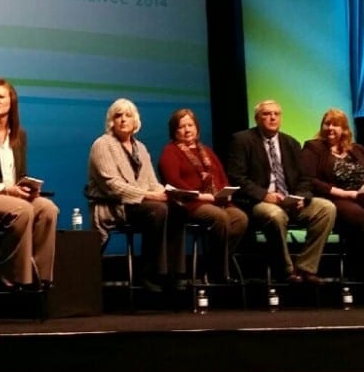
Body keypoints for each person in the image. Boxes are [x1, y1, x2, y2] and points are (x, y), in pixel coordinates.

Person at [226, 99, 336, 284]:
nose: (272, 118)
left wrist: (301, 197)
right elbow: (237, 177)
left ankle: (306, 268)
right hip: (260, 202)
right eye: (266, 114)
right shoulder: (242, 140)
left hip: (290, 200)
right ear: (257, 118)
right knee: (275, 215)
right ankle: (286, 271)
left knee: (327, 208)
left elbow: (304, 178)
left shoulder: (291, 143)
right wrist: (265, 195)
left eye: (276, 114)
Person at [0, 78, 58, 290]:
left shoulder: (19, 135)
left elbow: (20, 174)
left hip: (13, 195)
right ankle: (16, 276)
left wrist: (27, 187)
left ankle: (41, 277)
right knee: (23, 209)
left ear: (11, 101)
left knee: (48, 209)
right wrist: (7, 189)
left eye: (0, 96)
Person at [301, 108, 364, 283]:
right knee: (359, 217)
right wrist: (347, 194)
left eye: (336, 125)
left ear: (345, 129)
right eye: (327, 124)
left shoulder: (358, 149)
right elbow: (310, 180)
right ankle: (361, 271)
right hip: (336, 197)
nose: (330, 128)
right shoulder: (313, 147)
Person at [85, 98, 170, 292]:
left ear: (136, 121)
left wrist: (168, 193)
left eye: (128, 115)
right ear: (111, 121)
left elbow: (151, 182)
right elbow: (113, 186)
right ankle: (148, 274)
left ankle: (169, 273)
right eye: (118, 115)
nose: (123, 119)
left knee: (173, 208)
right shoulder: (102, 144)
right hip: (114, 207)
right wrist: (152, 196)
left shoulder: (140, 148)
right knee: (157, 209)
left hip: (138, 205)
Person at [158, 108, 248, 284]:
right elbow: (173, 181)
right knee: (219, 217)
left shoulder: (207, 151)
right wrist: (201, 197)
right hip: (190, 204)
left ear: (197, 128)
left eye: (190, 125)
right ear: (174, 131)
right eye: (182, 126)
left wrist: (226, 193)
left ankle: (209, 266)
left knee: (240, 218)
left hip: (217, 200)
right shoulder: (170, 152)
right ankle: (219, 273)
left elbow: (221, 177)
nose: (187, 130)